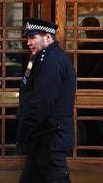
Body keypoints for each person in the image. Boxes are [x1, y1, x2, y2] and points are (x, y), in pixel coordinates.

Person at [16, 18, 76, 183]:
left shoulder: (52, 61)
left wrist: (26, 128)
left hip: (51, 137)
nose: (28, 42)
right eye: (28, 38)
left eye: (33, 37)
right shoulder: (41, 58)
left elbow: (43, 101)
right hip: (42, 137)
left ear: (48, 38)